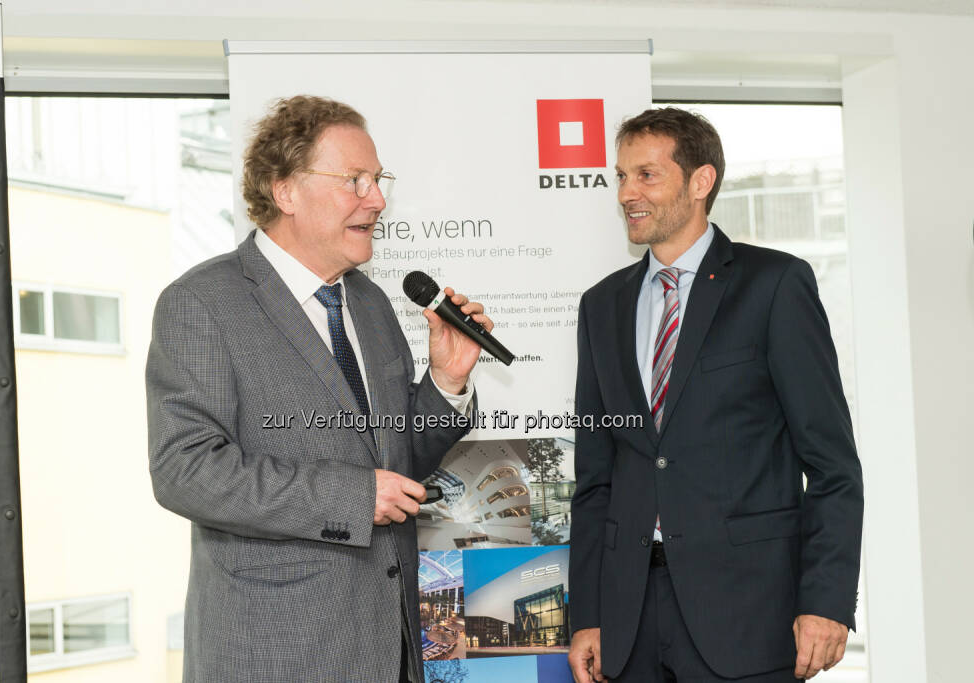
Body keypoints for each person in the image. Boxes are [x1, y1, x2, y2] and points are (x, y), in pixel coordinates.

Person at [146, 95, 489, 682]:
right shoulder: (202, 302)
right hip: (277, 652)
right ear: (284, 190)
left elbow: (398, 464)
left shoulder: (371, 302)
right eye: (354, 180)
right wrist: (352, 497)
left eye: (378, 180)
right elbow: (185, 471)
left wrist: (447, 380)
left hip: (390, 648)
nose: (377, 199)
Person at [567, 107, 863, 683]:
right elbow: (596, 477)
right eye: (621, 176)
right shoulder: (600, 306)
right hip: (630, 620)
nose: (628, 192)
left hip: (749, 612)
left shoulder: (775, 285)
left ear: (700, 182)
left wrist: (826, 600)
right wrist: (589, 615)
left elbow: (832, 466)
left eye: (646, 175)